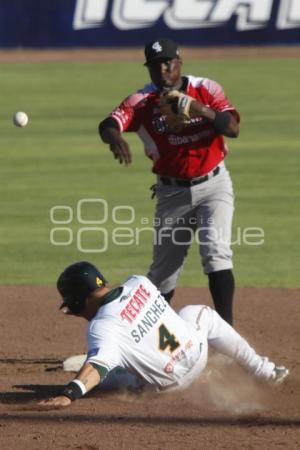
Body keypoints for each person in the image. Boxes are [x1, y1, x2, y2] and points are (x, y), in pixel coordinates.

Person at [99, 38, 240, 325]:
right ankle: (151, 342)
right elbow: (109, 123)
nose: (162, 70)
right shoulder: (142, 101)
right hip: (171, 193)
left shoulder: (206, 89)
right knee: (163, 275)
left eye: (167, 63)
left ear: (179, 62)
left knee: (216, 254)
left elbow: (233, 127)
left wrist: (198, 108)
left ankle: (229, 335)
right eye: (154, 65)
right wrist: (115, 136)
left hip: (214, 185)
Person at [39, 261, 289, 408]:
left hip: (169, 386)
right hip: (196, 354)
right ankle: (266, 371)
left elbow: (96, 369)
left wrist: (68, 394)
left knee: (107, 374)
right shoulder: (139, 282)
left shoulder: (102, 328)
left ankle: (87, 373)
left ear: (80, 300)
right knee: (199, 312)